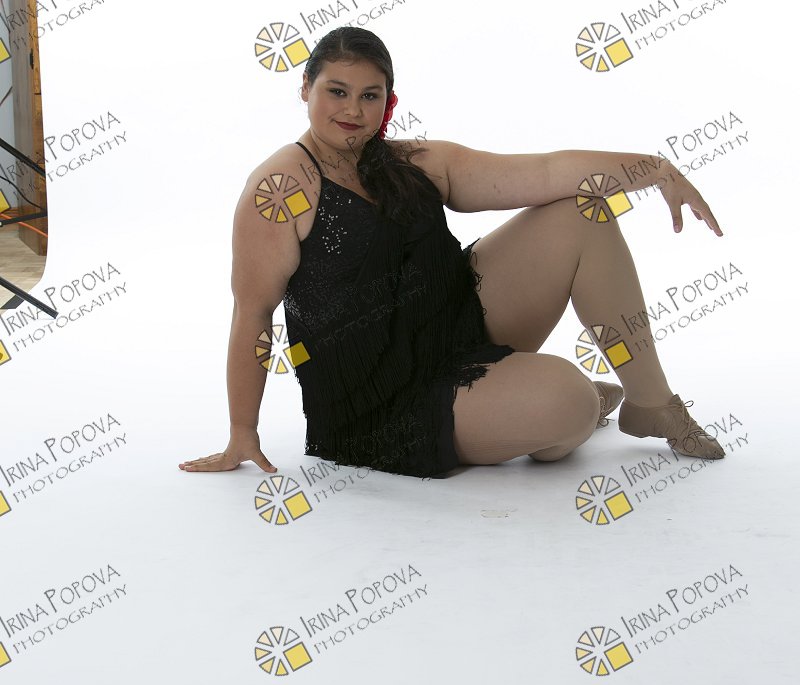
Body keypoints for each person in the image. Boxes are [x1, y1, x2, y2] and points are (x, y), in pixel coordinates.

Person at [179, 26, 725, 482]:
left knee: (583, 212)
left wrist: (655, 169)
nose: (352, 110)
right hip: (384, 402)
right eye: (336, 91)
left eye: (370, 95)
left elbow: (546, 172)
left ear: (388, 100)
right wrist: (242, 433)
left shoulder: (418, 161)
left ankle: (650, 404)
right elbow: (252, 314)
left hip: (454, 331)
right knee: (570, 402)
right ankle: (560, 410)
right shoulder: (280, 189)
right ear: (305, 88)